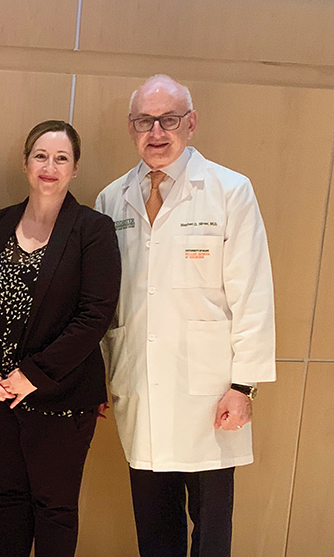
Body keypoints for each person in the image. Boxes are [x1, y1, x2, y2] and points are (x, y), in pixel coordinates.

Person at [95, 74, 276, 557]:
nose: (156, 132)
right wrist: (102, 376)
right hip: (139, 379)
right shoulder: (112, 200)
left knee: (211, 526)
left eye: (169, 119)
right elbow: (104, 302)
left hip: (211, 391)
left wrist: (244, 387)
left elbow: (253, 292)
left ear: (191, 123)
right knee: (153, 521)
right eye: (143, 121)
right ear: (131, 128)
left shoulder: (229, 190)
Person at [0, 120, 120, 557]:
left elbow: (95, 316)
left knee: (55, 508)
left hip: (61, 396)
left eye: (61, 158)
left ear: (75, 168)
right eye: (41, 156)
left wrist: (34, 374)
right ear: (26, 163)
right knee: (6, 501)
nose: (50, 166)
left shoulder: (94, 230)